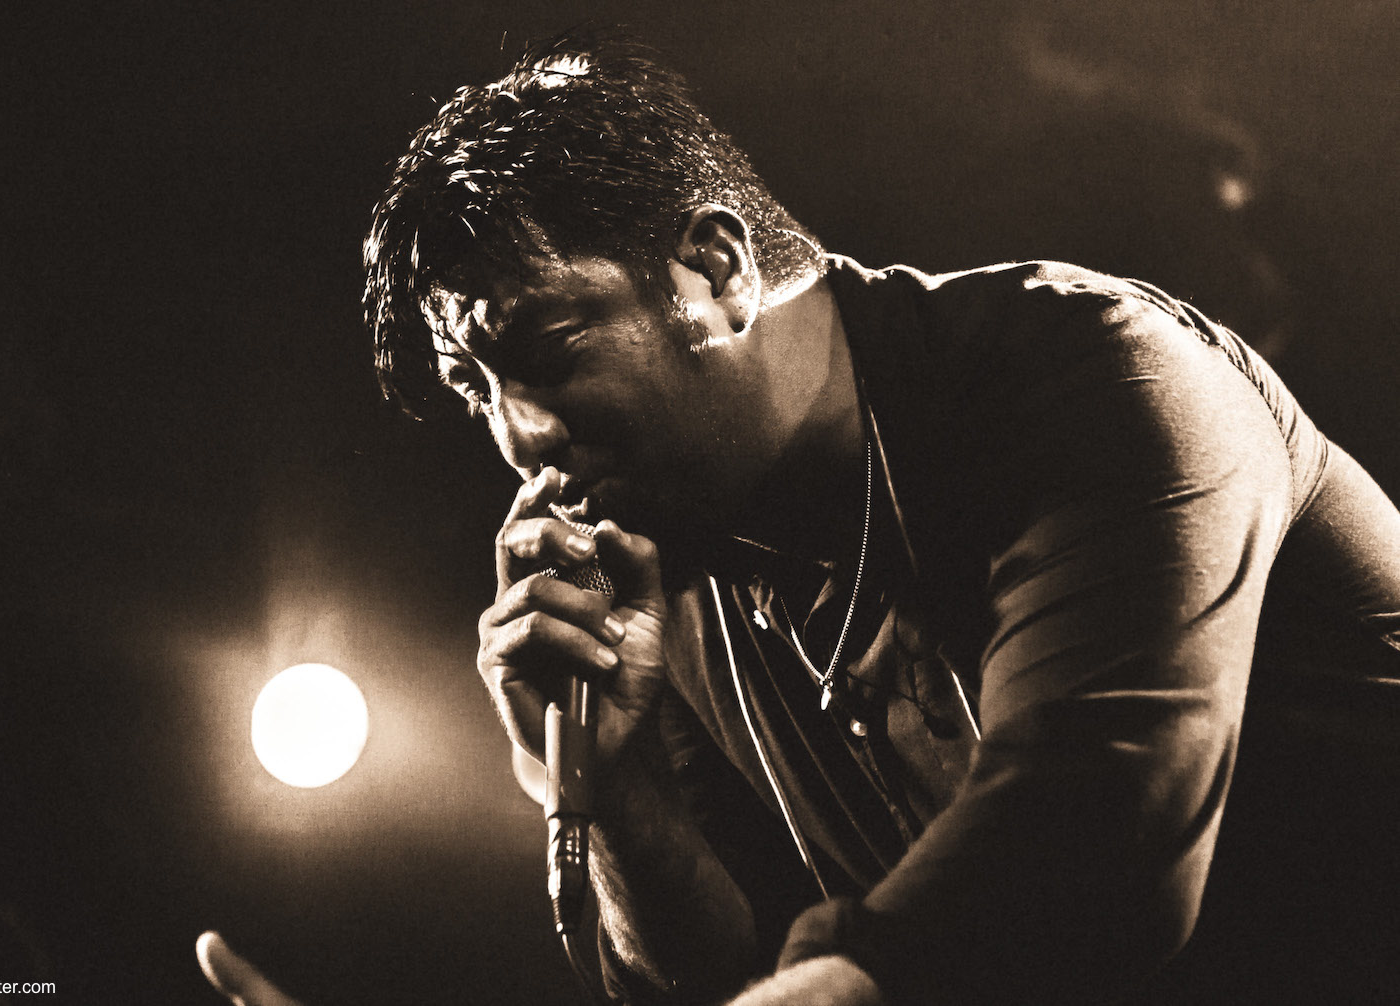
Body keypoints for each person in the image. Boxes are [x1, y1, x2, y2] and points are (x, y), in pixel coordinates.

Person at [202, 33, 1400, 1005]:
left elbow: (1096, 835)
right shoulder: (677, 567)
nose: (519, 438)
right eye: (478, 391)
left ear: (716, 271)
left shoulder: (1100, 379)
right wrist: (615, 795)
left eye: (551, 352)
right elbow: (731, 977)